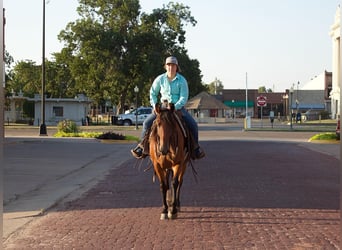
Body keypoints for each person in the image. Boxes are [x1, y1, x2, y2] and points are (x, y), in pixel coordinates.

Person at [131, 56, 205, 160]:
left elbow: (184, 97)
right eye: (169, 65)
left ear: (177, 67)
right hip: (162, 107)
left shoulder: (182, 80)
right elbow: (152, 93)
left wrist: (176, 106)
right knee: (146, 123)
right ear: (165, 67)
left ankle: (195, 149)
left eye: (173, 65)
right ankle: (142, 147)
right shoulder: (160, 79)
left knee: (193, 125)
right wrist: (155, 105)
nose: (171, 67)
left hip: (177, 108)